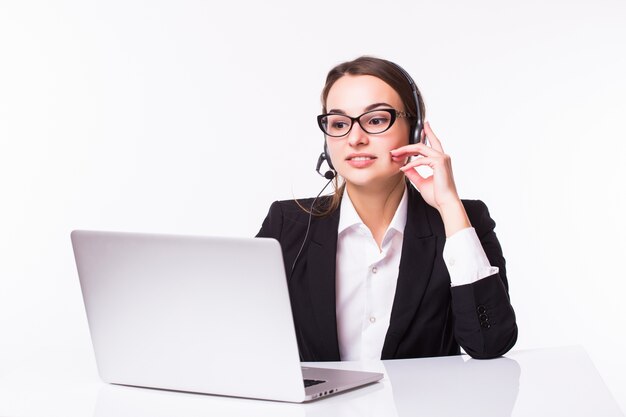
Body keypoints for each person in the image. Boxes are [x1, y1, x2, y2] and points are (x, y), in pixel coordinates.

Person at [257, 56, 517, 361]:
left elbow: (490, 345)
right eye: (339, 123)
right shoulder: (286, 225)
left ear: (415, 130)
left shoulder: (461, 221)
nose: (355, 139)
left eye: (376, 120)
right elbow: (241, 334)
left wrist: (448, 206)